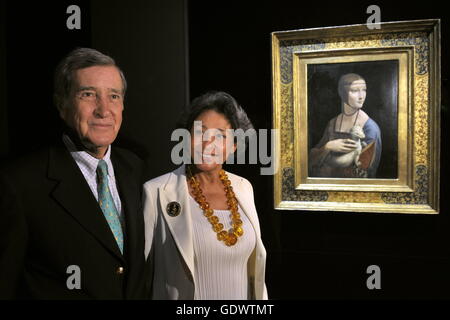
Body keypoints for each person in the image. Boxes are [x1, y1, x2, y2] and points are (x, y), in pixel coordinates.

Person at [0, 48, 146, 299]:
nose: (103, 110)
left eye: (113, 96)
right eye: (88, 94)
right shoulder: (19, 183)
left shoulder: (134, 168)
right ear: (62, 104)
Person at [143, 91, 267, 300]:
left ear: (234, 146)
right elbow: (142, 275)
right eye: (200, 132)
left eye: (220, 135)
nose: (208, 144)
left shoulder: (244, 188)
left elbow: (256, 275)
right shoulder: (156, 191)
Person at [309, 73, 382, 178]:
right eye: (355, 91)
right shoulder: (333, 123)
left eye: (364, 90)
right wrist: (327, 147)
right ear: (343, 93)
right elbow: (311, 161)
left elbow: (366, 171)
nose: (361, 96)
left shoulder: (370, 128)